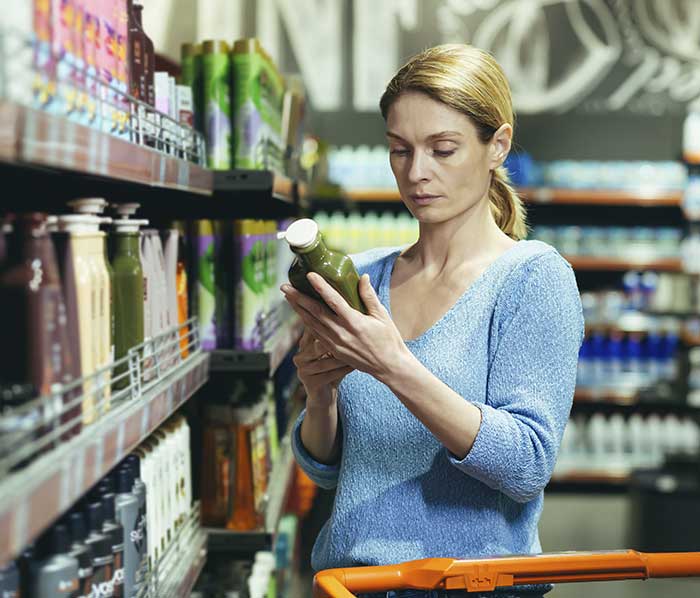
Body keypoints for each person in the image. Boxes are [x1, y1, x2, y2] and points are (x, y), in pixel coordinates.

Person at [281, 44, 584, 598]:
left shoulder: (532, 279)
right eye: (400, 151)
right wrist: (318, 395)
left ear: (498, 146)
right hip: (350, 584)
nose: (417, 174)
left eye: (442, 149)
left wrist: (395, 366)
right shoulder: (366, 278)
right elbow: (331, 472)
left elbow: (525, 467)